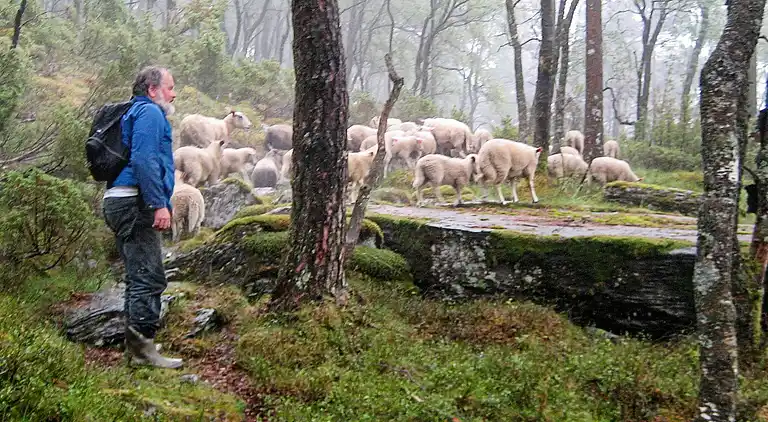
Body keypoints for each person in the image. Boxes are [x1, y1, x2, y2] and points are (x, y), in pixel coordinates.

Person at [102, 66, 181, 369]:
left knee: (139, 276)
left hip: (122, 200)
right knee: (149, 277)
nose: (174, 94)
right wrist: (158, 203)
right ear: (152, 89)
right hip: (135, 203)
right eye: (170, 87)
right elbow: (144, 159)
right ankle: (142, 351)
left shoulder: (136, 112)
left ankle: (139, 345)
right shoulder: (150, 114)